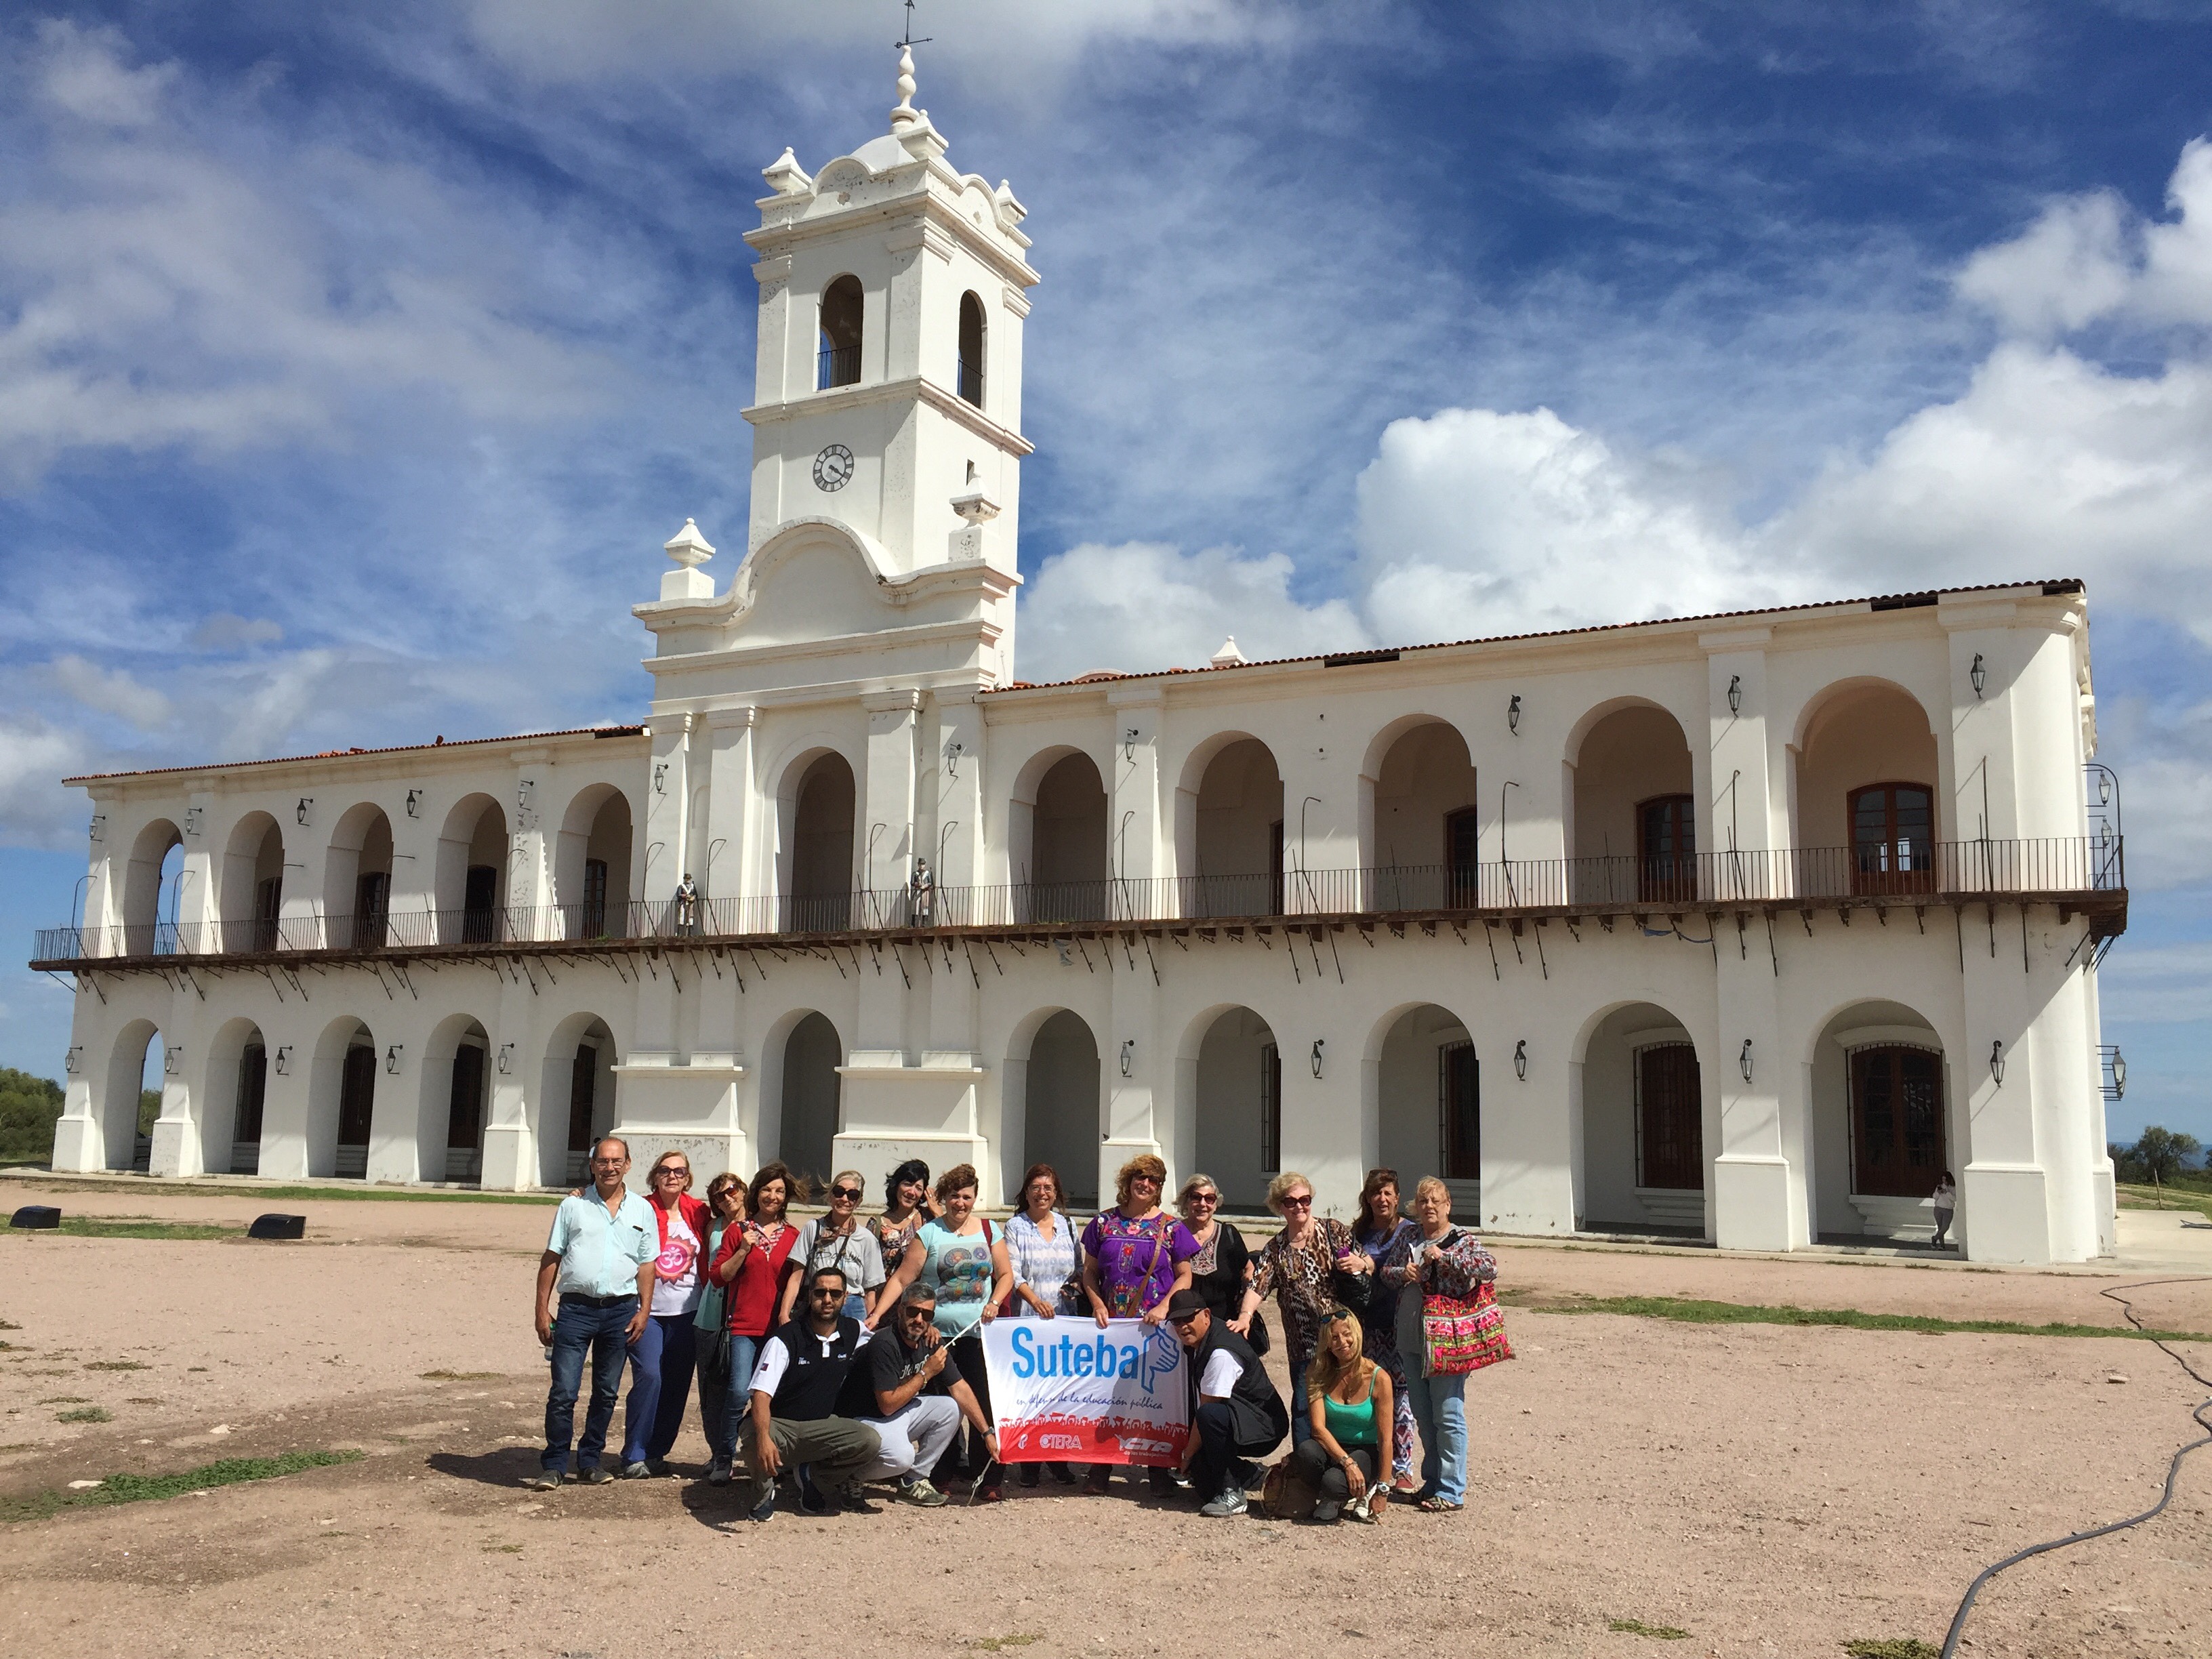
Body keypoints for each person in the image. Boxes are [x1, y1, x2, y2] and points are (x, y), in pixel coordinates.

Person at [528, 1136, 655, 1490]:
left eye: (616, 1161)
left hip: (621, 1311)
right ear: (592, 1165)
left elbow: (647, 1264)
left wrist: (644, 1310)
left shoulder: (642, 1210)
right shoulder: (574, 1205)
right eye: (602, 1161)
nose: (609, 1167)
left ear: (628, 1164)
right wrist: (541, 1310)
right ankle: (555, 1464)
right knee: (563, 1392)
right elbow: (551, 1257)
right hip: (576, 1309)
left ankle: (590, 1460)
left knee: (606, 1392)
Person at [880, 1163, 1013, 1500]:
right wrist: (877, 1314)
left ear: (975, 1198)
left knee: (984, 1403)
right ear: (944, 1198)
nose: (960, 1203)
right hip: (937, 1336)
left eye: (966, 1197)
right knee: (945, 1405)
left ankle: (988, 1477)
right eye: (954, 1196)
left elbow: (1006, 1275)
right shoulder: (929, 1234)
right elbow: (902, 1278)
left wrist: (995, 1302)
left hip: (980, 1337)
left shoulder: (989, 1231)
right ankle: (941, 1473)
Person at [1080, 1153, 1200, 1496]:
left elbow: (1185, 1275)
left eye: (1153, 1180)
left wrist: (1164, 1306)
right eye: (1140, 1177)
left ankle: (1157, 1468)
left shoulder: (1172, 1228)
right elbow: (1089, 1271)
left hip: (1154, 1330)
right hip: (1112, 1328)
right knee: (1106, 1396)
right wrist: (1097, 1303)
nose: (1145, 1184)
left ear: (1159, 1188)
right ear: (1128, 1181)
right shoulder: (1103, 1223)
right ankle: (1101, 1466)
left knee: (1153, 1397)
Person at [1379, 1175, 1498, 1513]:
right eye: (1423, 1201)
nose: (1429, 1206)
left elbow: (1489, 1268)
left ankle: (1451, 1489)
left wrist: (1446, 1257)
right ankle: (1432, 1482)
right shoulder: (1409, 1236)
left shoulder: (1461, 1239)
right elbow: (1386, 1273)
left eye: (1435, 1201)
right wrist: (1403, 1273)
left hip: (1447, 1342)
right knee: (1423, 1414)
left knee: (1448, 1415)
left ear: (1448, 1205)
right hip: (1411, 1337)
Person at [738, 1265, 886, 1522]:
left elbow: (888, 1339)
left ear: (845, 1297)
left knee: (869, 1441)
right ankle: (763, 1493)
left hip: (821, 1425)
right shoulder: (785, 1338)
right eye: (820, 1293)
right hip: (780, 1425)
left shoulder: (853, 1331)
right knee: (754, 1437)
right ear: (809, 1296)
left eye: (835, 1293)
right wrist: (764, 1438)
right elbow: (760, 1394)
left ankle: (814, 1481)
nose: (827, 1300)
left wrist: (924, 1329)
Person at [1238, 1170, 1359, 1449]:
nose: (1299, 1207)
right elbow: (1258, 1285)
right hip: (1303, 1345)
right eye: (1290, 1202)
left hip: (1342, 1338)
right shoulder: (1276, 1248)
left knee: (1346, 1403)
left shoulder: (1332, 1231)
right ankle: (1307, 1466)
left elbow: (1366, 1261)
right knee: (1305, 1409)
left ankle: (1348, 1463)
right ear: (1279, 1206)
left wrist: (1362, 1264)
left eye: (1305, 1200)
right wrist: (1245, 1316)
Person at [857, 1282, 999, 1507]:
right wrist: (926, 1373)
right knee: (902, 1457)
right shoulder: (884, 1343)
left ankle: (913, 1481)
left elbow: (960, 1388)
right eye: (913, 1312)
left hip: (894, 1417)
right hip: (866, 1419)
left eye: (927, 1315)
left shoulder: (930, 1340)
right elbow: (887, 1405)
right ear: (900, 1310)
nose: (919, 1320)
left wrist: (986, 1433)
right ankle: (849, 1476)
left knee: (951, 1407)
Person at [616, 1148, 711, 1478]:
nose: (672, 1176)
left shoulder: (699, 1212)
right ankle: (634, 1453)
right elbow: (606, 1207)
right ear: (655, 1176)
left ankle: (656, 1452)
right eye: (665, 1171)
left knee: (676, 1384)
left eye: (679, 1171)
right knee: (650, 1377)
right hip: (648, 1312)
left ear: (687, 1179)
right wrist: (579, 1194)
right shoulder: (640, 1208)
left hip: (688, 1313)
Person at [1164, 1286, 1288, 1518]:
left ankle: (1232, 1493)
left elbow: (1207, 1412)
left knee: (1208, 1416)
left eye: (1188, 1318)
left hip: (1264, 1427)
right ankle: (1251, 1475)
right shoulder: (1205, 1337)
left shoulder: (1220, 1354)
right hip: (1242, 1418)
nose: (1182, 1327)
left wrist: (1186, 1456)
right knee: (1205, 1486)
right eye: (1176, 1322)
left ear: (1206, 1315)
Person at [1003, 1162, 1083, 1487]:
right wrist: (1035, 1301)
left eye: (1048, 1188)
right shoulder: (1015, 1227)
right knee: (1032, 1394)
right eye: (1035, 1187)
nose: (1042, 1193)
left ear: (1056, 1192)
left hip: (1064, 1321)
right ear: (1026, 1192)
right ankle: (1030, 1462)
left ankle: (1058, 1459)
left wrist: (1075, 1285)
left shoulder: (1068, 1225)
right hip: (1030, 1322)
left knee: (1061, 1394)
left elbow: (1079, 1268)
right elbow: (1012, 1274)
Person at [709, 1161, 804, 1432]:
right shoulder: (738, 1231)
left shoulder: (794, 1236)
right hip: (744, 1328)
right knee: (739, 1392)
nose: (773, 1197)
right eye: (767, 1190)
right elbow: (718, 1277)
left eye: (779, 1191)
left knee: (772, 1396)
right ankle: (725, 1452)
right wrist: (742, 1250)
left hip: (779, 1330)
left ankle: (763, 1449)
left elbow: (797, 1281)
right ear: (756, 1192)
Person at [1350, 1167, 1420, 1493]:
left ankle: (1403, 1468)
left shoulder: (1409, 1232)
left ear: (1397, 1197)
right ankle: (1372, 1462)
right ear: (1367, 1198)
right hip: (1364, 1326)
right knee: (1366, 1394)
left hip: (1397, 1324)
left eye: (1388, 1193)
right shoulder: (1357, 1232)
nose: (1382, 1199)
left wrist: (1370, 1265)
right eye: (1376, 1193)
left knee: (1401, 1396)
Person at [1290, 1304, 1394, 1523]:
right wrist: (1347, 1463)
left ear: (1358, 1334)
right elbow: (1318, 1429)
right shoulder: (1317, 1372)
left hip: (1365, 1451)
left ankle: (1359, 1490)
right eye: (1334, 1338)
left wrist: (1384, 1490)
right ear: (1327, 1344)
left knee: (1333, 1483)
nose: (1342, 1342)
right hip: (1332, 1447)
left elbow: (1386, 1440)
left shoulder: (1379, 1379)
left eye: (1347, 1335)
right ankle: (1333, 1493)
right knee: (1306, 1452)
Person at [779, 1168, 888, 1326]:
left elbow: (870, 1290)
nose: (845, 1199)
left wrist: (871, 1323)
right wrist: (784, 1314)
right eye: (839, 1192)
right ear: (831, 1196)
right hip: (819, 1304)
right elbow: (796, 1277)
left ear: (859, 1201)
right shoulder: (813, 1228)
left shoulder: (867, 1239)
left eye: (852, 1195)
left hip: (852, 1308)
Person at [695, 1171, 747, 1484]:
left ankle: (739, 1449)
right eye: (719, 1195)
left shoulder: (756, 1225)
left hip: (743, 1312)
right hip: (711, 1312)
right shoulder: (712, 1227)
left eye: (731, 1190)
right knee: (710, 1388)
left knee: (739, 1388)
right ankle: (717, 1452)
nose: (727, 1198)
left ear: (743, 1190)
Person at [1177, 1171, 1256, 1334]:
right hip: (1182, 1328)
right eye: (1196, 1197)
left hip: (1225, 1326)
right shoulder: (1174, 1233)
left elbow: (1248, 1268)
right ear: (1187, 1200)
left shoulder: (1229, 1234)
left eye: (1209, 1199)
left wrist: (1246, 1302)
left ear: (1216, 1203)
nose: (1203, 1204)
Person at [865, 1158, 937, 1289]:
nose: (912, 1192)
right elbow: (868, 1267)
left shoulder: (928, 1220)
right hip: (884, 1296)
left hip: (917, 1297)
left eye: (918, 1188)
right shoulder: (877, 1224)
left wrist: (937, 1211)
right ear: (896, 1185)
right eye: (908, 1184)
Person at [1931, 1171, 1957, 1248]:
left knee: (1945, 1227)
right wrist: (1938, 1193)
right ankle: (1942, 1245)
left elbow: (1955, 1199)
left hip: (1948, 1209)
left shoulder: (1953, 1188)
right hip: (1938, 1208)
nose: (1944, 1181)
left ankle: (1935, 1238)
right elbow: (1934, 1197)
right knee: (1940, 1227)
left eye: (1945, 1180)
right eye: (1943, 1179)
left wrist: (1947, 1193)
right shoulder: (1939, 1186)